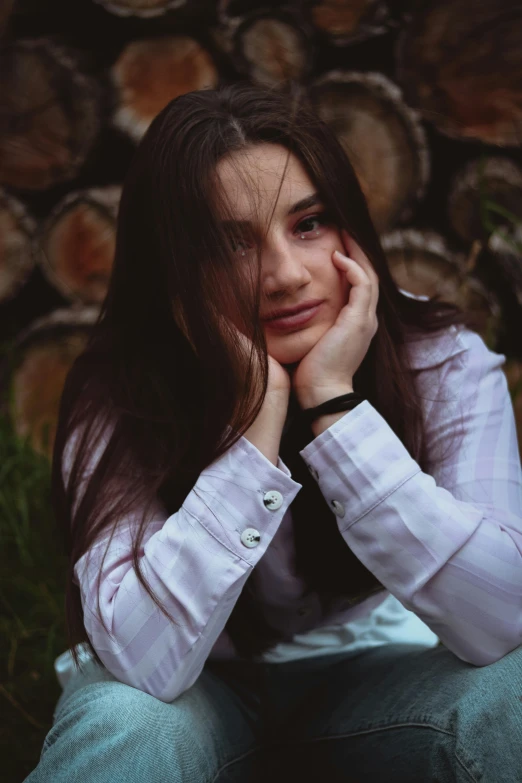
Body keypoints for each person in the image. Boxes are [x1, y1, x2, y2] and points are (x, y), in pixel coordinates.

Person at [25, 82, 522, 783]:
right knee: (122, 723)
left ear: (350, 223)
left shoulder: (439, 361)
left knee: (516, 697)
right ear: (173, 269)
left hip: (380, 684)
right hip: (196, 697)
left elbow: (503, 619)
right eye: (232, 243)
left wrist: (335, 408)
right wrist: (257, 421)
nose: (287, 275)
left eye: (309, 223)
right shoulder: (122, 391)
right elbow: (140, 660)